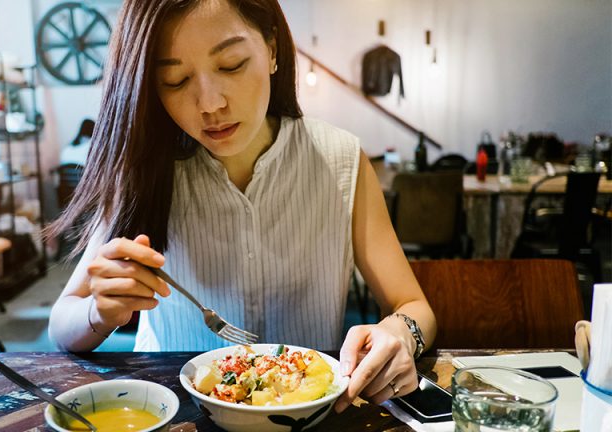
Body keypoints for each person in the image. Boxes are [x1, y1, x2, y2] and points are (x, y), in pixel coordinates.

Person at [48, 0, 437, 413]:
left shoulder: (340, 159)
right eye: (175, 80)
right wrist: (98, 311)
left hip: (310, 412)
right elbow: (62, 325)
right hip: (177, 412)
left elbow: (414, 308)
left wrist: (400, 333)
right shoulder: (146, 170)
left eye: (231, 65)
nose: (210, 104)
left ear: (271, 48)